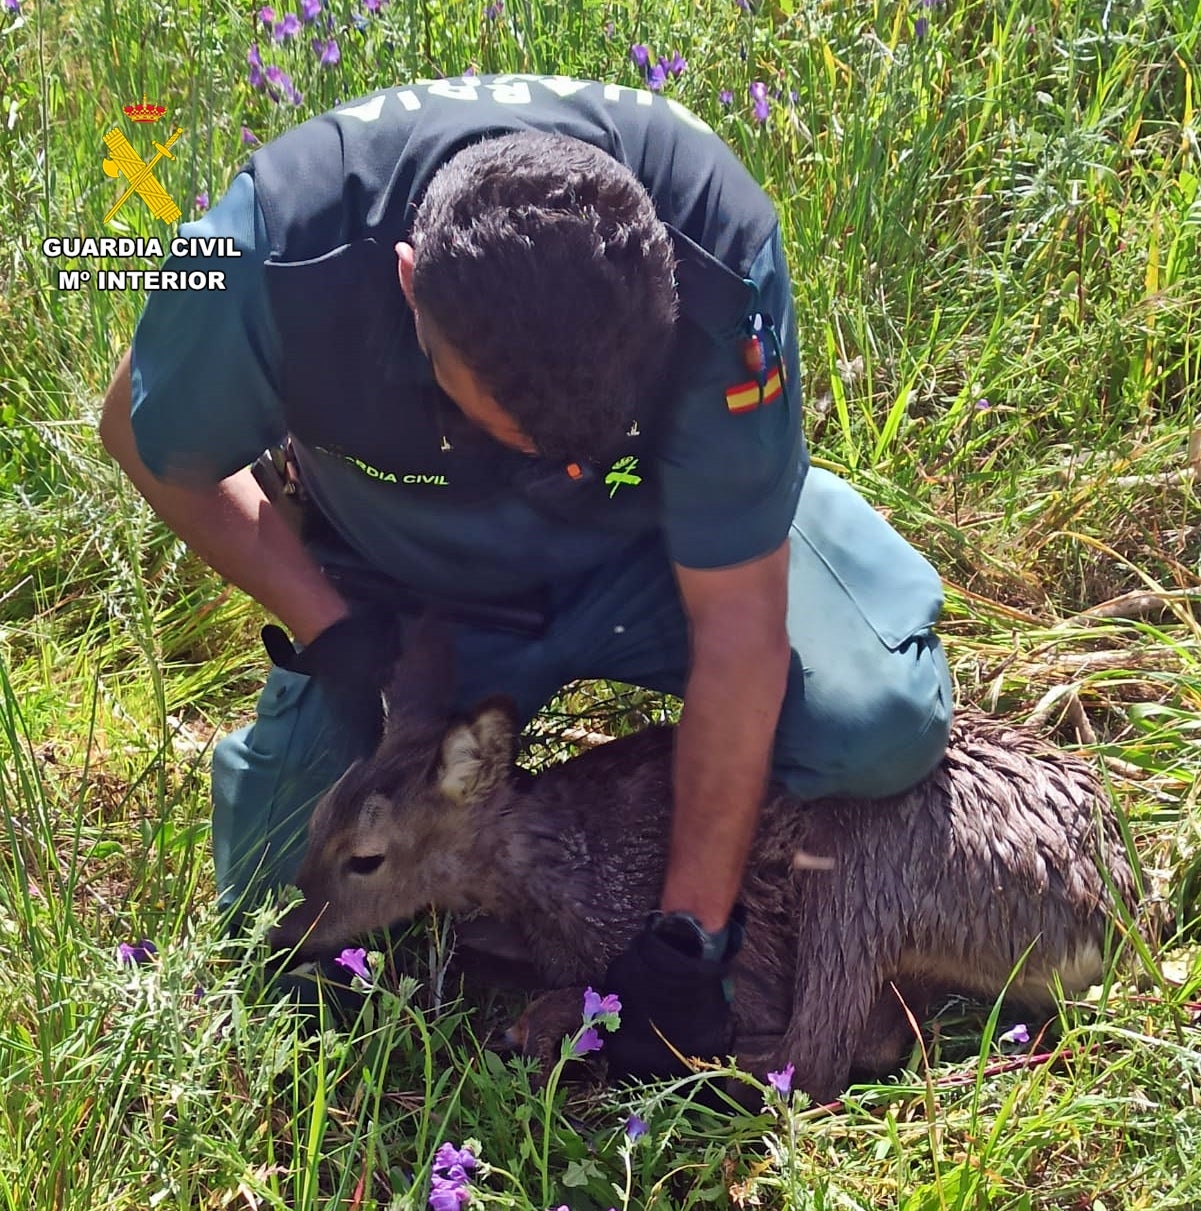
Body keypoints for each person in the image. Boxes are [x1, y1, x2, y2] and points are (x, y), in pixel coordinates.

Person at [99, 73, 953, 1080]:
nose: (552, 459)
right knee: (273, 919)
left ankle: (779, 514)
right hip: (415, 596)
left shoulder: (714, 238)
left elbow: (736, 626)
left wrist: (688, 939)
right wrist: (331, 628)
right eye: (505, 423)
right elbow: (142, 437)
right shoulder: (279, 247)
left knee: (873, 725)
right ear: (409, 284)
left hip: (669, 557)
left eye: (587, 430)